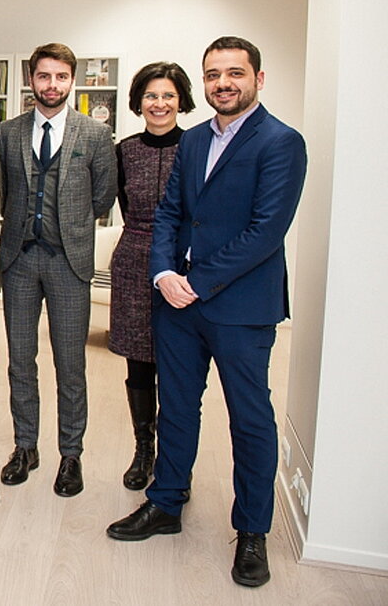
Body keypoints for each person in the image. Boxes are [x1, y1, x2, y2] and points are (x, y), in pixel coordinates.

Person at [107, 37, 307, 590]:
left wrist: (195, 281)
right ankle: (165, 502)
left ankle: (252, 532)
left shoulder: (281, 142)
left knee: (249, 419)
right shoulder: (194, 140)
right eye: (214, 74)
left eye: (235, 73)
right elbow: (170, 212)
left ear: (258, 79)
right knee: (176, 408)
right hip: (177, 303)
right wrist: (163, 274)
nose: (224, 83)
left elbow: (266, 231)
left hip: (240, 307)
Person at [0, 42, 116, 498]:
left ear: (72, 80)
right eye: (44, 76)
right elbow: (2, 192)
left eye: (61, 76)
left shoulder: (95, 135)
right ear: (32, 80)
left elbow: (103, 197)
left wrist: (70, 226)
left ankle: (70, 454)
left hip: (69, 261)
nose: (52, 85)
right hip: (20, 259)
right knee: (20, 361)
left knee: (70, 363)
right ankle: (25, 446)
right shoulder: (9, 132)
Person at [108, 62, 196, 490]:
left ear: (181, 101)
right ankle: (144, 449)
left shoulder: (196, 146)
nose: (159, 104)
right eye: (150, 96)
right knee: (139, 363)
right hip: (133, 260)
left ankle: (175, 461)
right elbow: (124, 205)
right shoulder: (124, 150)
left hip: (184, 265)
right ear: (138, 101)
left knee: (178, 366)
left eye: (168, 96)